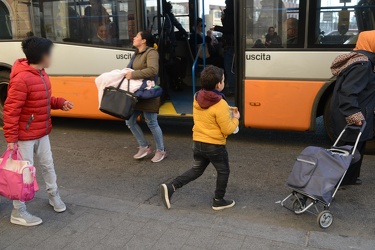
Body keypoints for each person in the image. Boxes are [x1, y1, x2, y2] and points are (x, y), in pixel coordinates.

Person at [3, 37, 74, 226]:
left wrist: (60, 103)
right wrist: (11, 139)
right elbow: (11, 111)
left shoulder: (41, 73)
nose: (52, 57)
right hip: (24, 137)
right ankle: (18, 212)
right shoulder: (22, 79)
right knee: (23, 174)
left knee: (48, 166)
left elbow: (43, 100)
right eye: (50, 53)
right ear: (43, 56)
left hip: (42, 132)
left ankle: (54, 196)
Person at [160, 65, 240, 211]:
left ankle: (171, 186)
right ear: (218, 85)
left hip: (198, 142)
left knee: (197, 170)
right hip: (214, 146)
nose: (224, 82)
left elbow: (208, 114)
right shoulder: (220, 103)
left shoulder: (197, 96)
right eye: (223, 80)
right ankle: (218, 200)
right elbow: (228, 129)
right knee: (223, 171)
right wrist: (236, 118)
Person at [330, 30, 375, 185]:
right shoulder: (363, 64)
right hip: (354, 114)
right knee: (348, 148)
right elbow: (348, 92)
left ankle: (350, 178)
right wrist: (354, 115)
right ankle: (337, 180)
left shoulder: (360, 60)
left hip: (359, 112)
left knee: (356, 146)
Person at [125, 31, 167, 163]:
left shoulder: (151, 53)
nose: (134, 38)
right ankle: (144, 147)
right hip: (137, 93)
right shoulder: (136, 54)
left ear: (143, 41)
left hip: (147, 93)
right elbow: (129, 70)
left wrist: (133, 75)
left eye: (137, 36)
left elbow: (153, 70)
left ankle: (161, 151)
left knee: (151, 122)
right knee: (129, 121)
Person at [162, 0, 188, 91]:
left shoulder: (161, 17)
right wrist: (185, 33)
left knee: (168, 65)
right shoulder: (170, 16)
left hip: (164, 44)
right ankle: (175, 83)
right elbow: (179, 26)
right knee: (172, 64)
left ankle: (171, 84)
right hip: (170, 44)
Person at [212, 0, 235, 95]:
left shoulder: (230, 13)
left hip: (231, 44)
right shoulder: (233, 12)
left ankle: (232, 88)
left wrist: (216, 28)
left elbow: (228, 29)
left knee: (229, 66)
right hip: (231, 43)